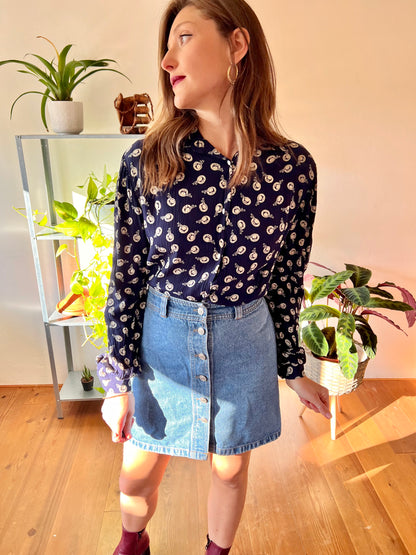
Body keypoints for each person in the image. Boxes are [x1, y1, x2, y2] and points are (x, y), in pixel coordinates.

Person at [97, 1, 331, 553]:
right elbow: (127, 277)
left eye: (183, 38)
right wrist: (117, 381)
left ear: (238, 45)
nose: (166, 57)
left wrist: (293, 370)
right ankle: (133, 542)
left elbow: (285, 279)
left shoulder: (293, 168)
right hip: (163, 340)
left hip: (245, 339)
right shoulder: (149, 159)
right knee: (137, 475)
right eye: (167, 43)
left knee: (229, 471)